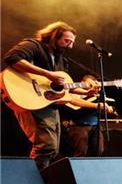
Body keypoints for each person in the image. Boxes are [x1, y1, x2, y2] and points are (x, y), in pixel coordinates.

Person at [2, 21, 109, 170]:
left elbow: (64, 88)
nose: (70, 46)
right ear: (54, 35)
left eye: (72, 42)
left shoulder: (60, 60)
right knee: (46, 146)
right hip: (29, 99)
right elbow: (12, 58)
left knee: (53, 149)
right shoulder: (33, 45)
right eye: (67, 41)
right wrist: (47, 74)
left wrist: (86, 92)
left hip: (48, 104)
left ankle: (41, 182)